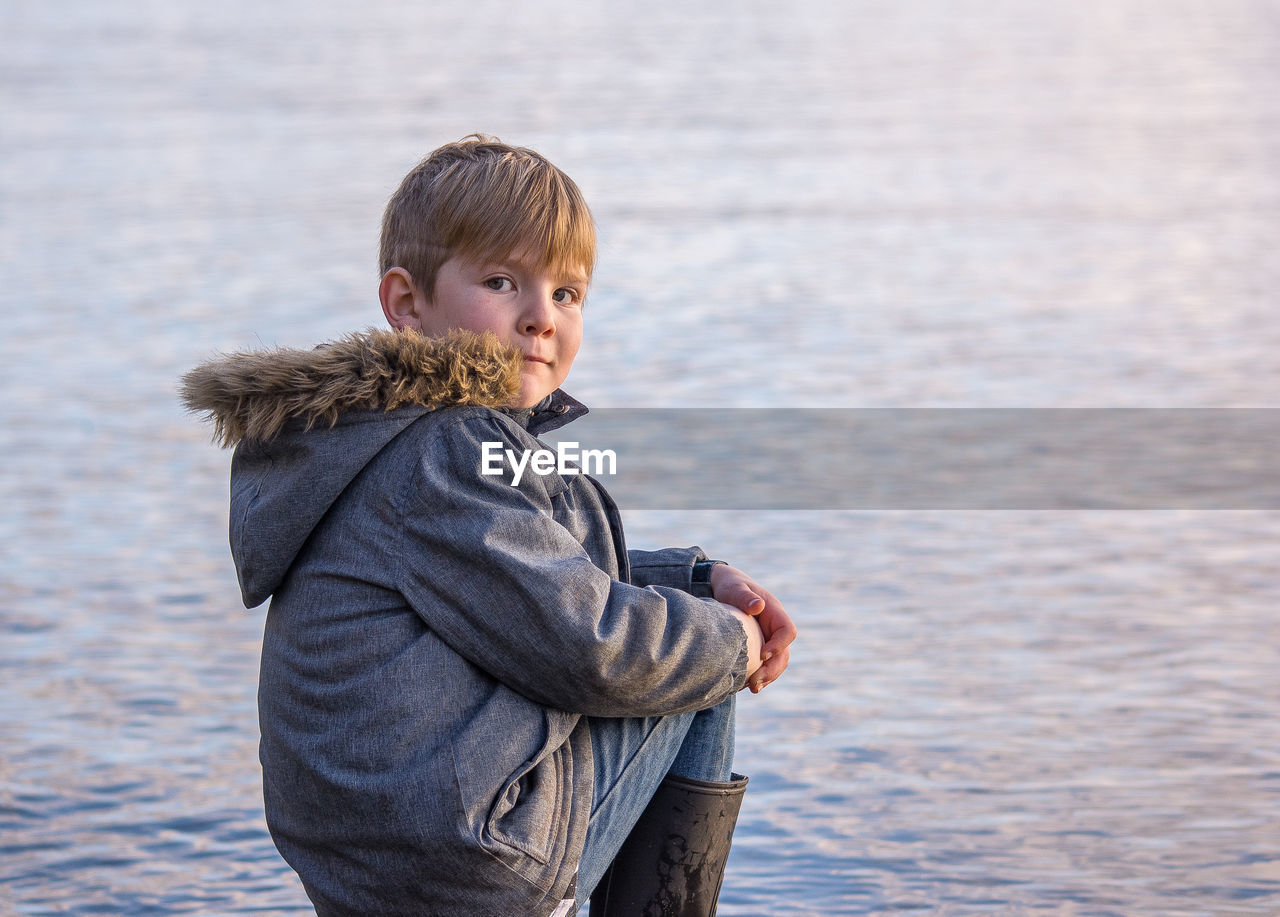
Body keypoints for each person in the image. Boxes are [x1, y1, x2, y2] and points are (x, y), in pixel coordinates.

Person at [181, 134, 796, 917]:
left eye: (567, 293)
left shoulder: (374, 435)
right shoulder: (452, 445)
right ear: (407, 303)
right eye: (503, 282)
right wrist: (732, 635)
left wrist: (693, 577)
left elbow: (526, 571)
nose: (541, 318)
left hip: (366, 866)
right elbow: (589, 645)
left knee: (688, 625)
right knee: (699, 666)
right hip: (469, 863)